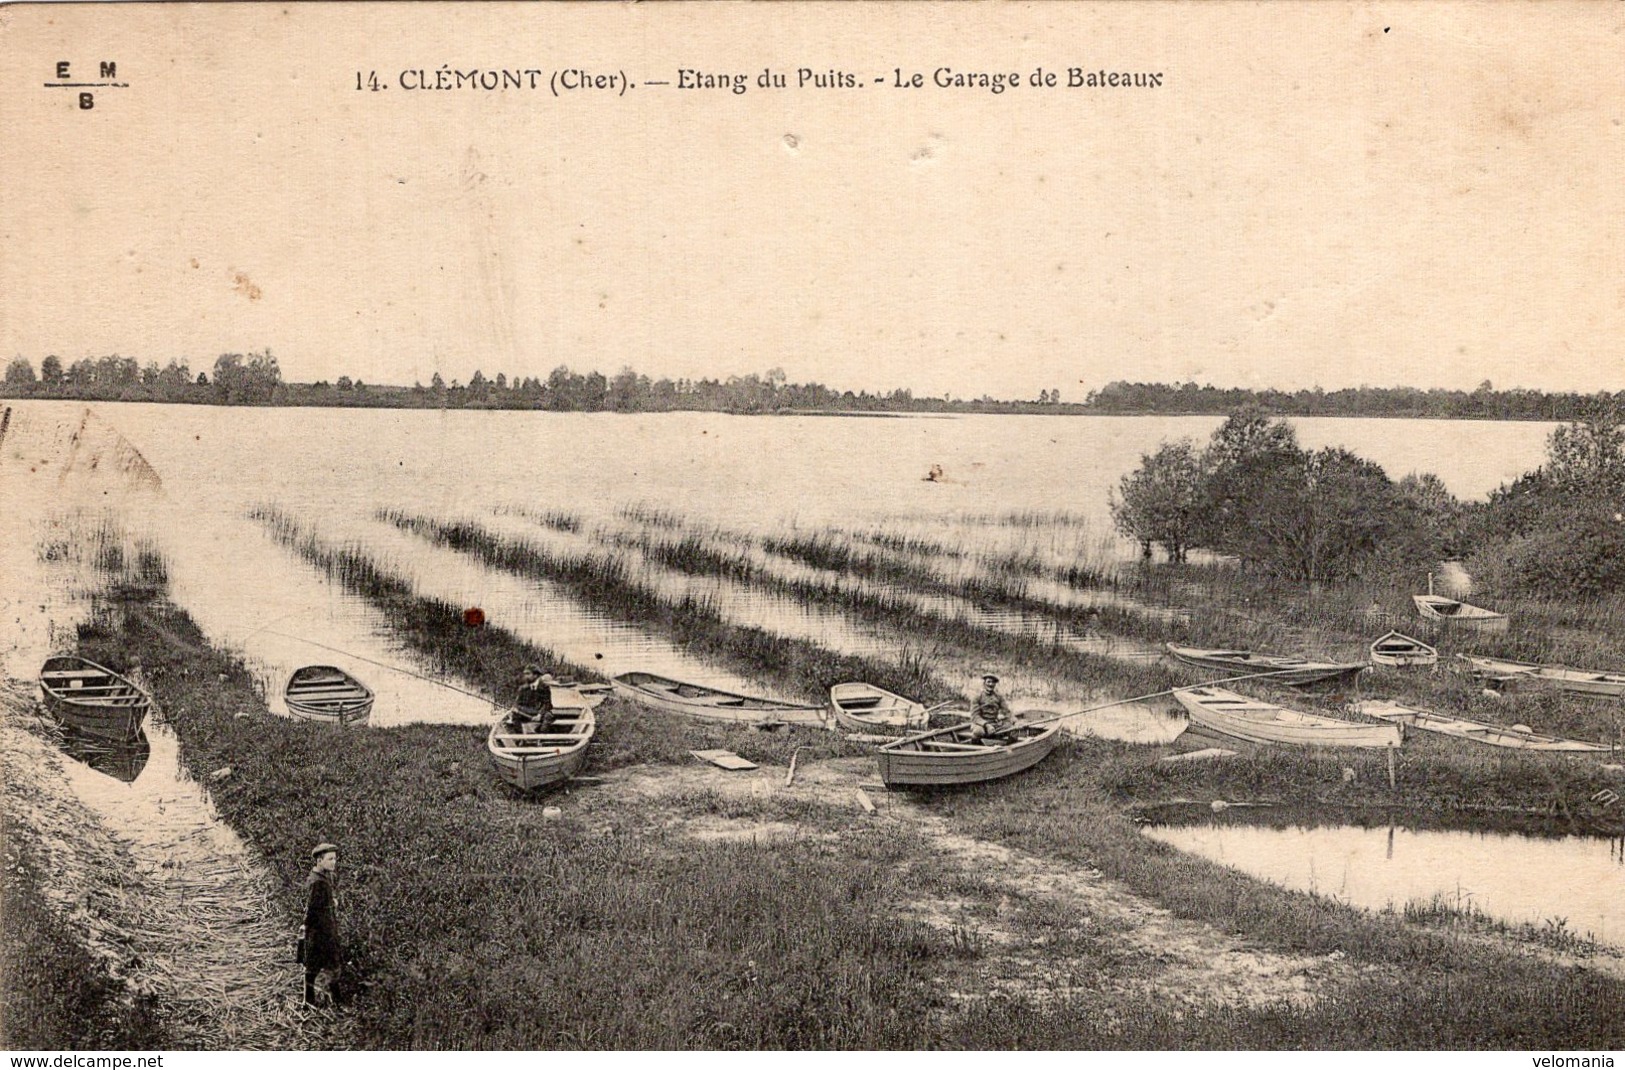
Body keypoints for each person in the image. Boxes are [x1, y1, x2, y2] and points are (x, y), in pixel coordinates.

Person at [301, 842, 341, 1007]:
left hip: (320, 930)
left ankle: (308, 1000)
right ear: (319, 860)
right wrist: (309, 926)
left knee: (313, 967)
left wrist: (331, 902)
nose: (334, 862)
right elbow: (311, 909)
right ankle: (337, 1000)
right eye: (330, 859)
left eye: (335, 859)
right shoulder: (318, 882)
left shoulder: (320, 877)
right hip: (322, 931)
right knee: (333, 965)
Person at [967, 674, 1015, 743]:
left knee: (1013, 729)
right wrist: (987, 725)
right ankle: (975, 747)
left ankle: (1008, 748)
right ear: (984, 683)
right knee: (978, 732)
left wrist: (1013, 720)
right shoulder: (977, 697)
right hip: (980, 724)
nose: (991, 684)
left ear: (995, 684)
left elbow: (1006, 711)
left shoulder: (998, 697)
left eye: (993, 682)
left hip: (994, 724)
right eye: (988, 682)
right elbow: (975, 716)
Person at [512, 665, 557, 733]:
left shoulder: (544, 687)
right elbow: (517, 703)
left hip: (541, 712)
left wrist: (539, 715)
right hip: (529, 712)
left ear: (535, 675)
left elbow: (547, 704)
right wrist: (515, 708)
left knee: (548, 716)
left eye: (528, 674)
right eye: (525, 674)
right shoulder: (523, 688)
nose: (525, 676)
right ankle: (520, 738)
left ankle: (541, 737)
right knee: (515, 715)